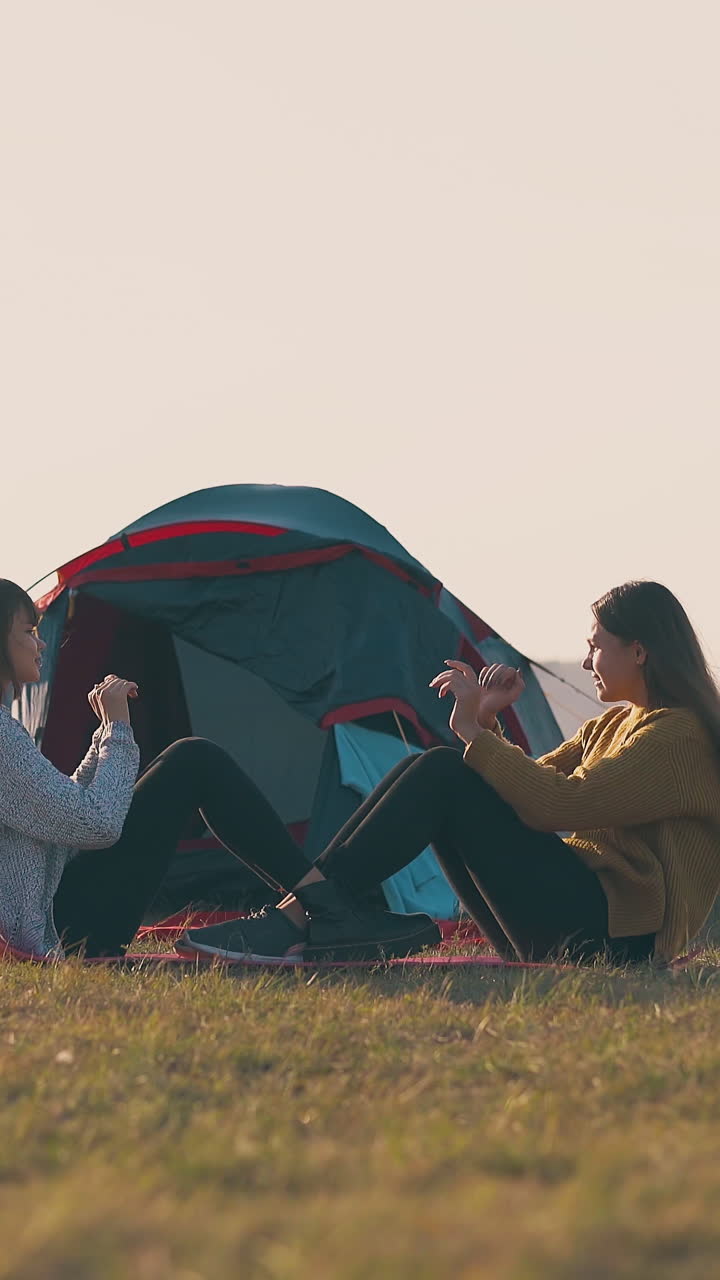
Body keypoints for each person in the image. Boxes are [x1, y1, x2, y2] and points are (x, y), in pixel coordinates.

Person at [182, 580, 720, 966]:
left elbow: (558, 806)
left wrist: (473, 734)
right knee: (435, 770)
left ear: (640, 650)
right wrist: (486, 723)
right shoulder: (619, 724)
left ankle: (309, 911)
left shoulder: (676, 738)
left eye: (596, 647)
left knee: (442, 771)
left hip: (618, 941)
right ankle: (314, 909)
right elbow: (524, 788)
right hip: (582, 923)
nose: (586, 663)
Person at [0, 578, 439, 960]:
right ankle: (329, 907)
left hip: (62, 910)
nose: (41, 643)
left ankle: (324, 905)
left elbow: (62, 813)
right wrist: (117, 729)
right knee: (194, 762)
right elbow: (95, 825)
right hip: (65, 931)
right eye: (28, 631)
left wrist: (102, 739)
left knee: (190, 761)